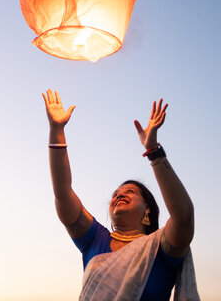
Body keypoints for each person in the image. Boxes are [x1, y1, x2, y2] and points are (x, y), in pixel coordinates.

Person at [42, 89, 199, 301]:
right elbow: (62, 193)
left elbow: (184, 218)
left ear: (147, 209)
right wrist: (56, 129)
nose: (119, 195)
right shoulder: (95, 239)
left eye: (130, 192)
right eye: (116, 193)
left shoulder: (160, 248)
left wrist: (153, 150)